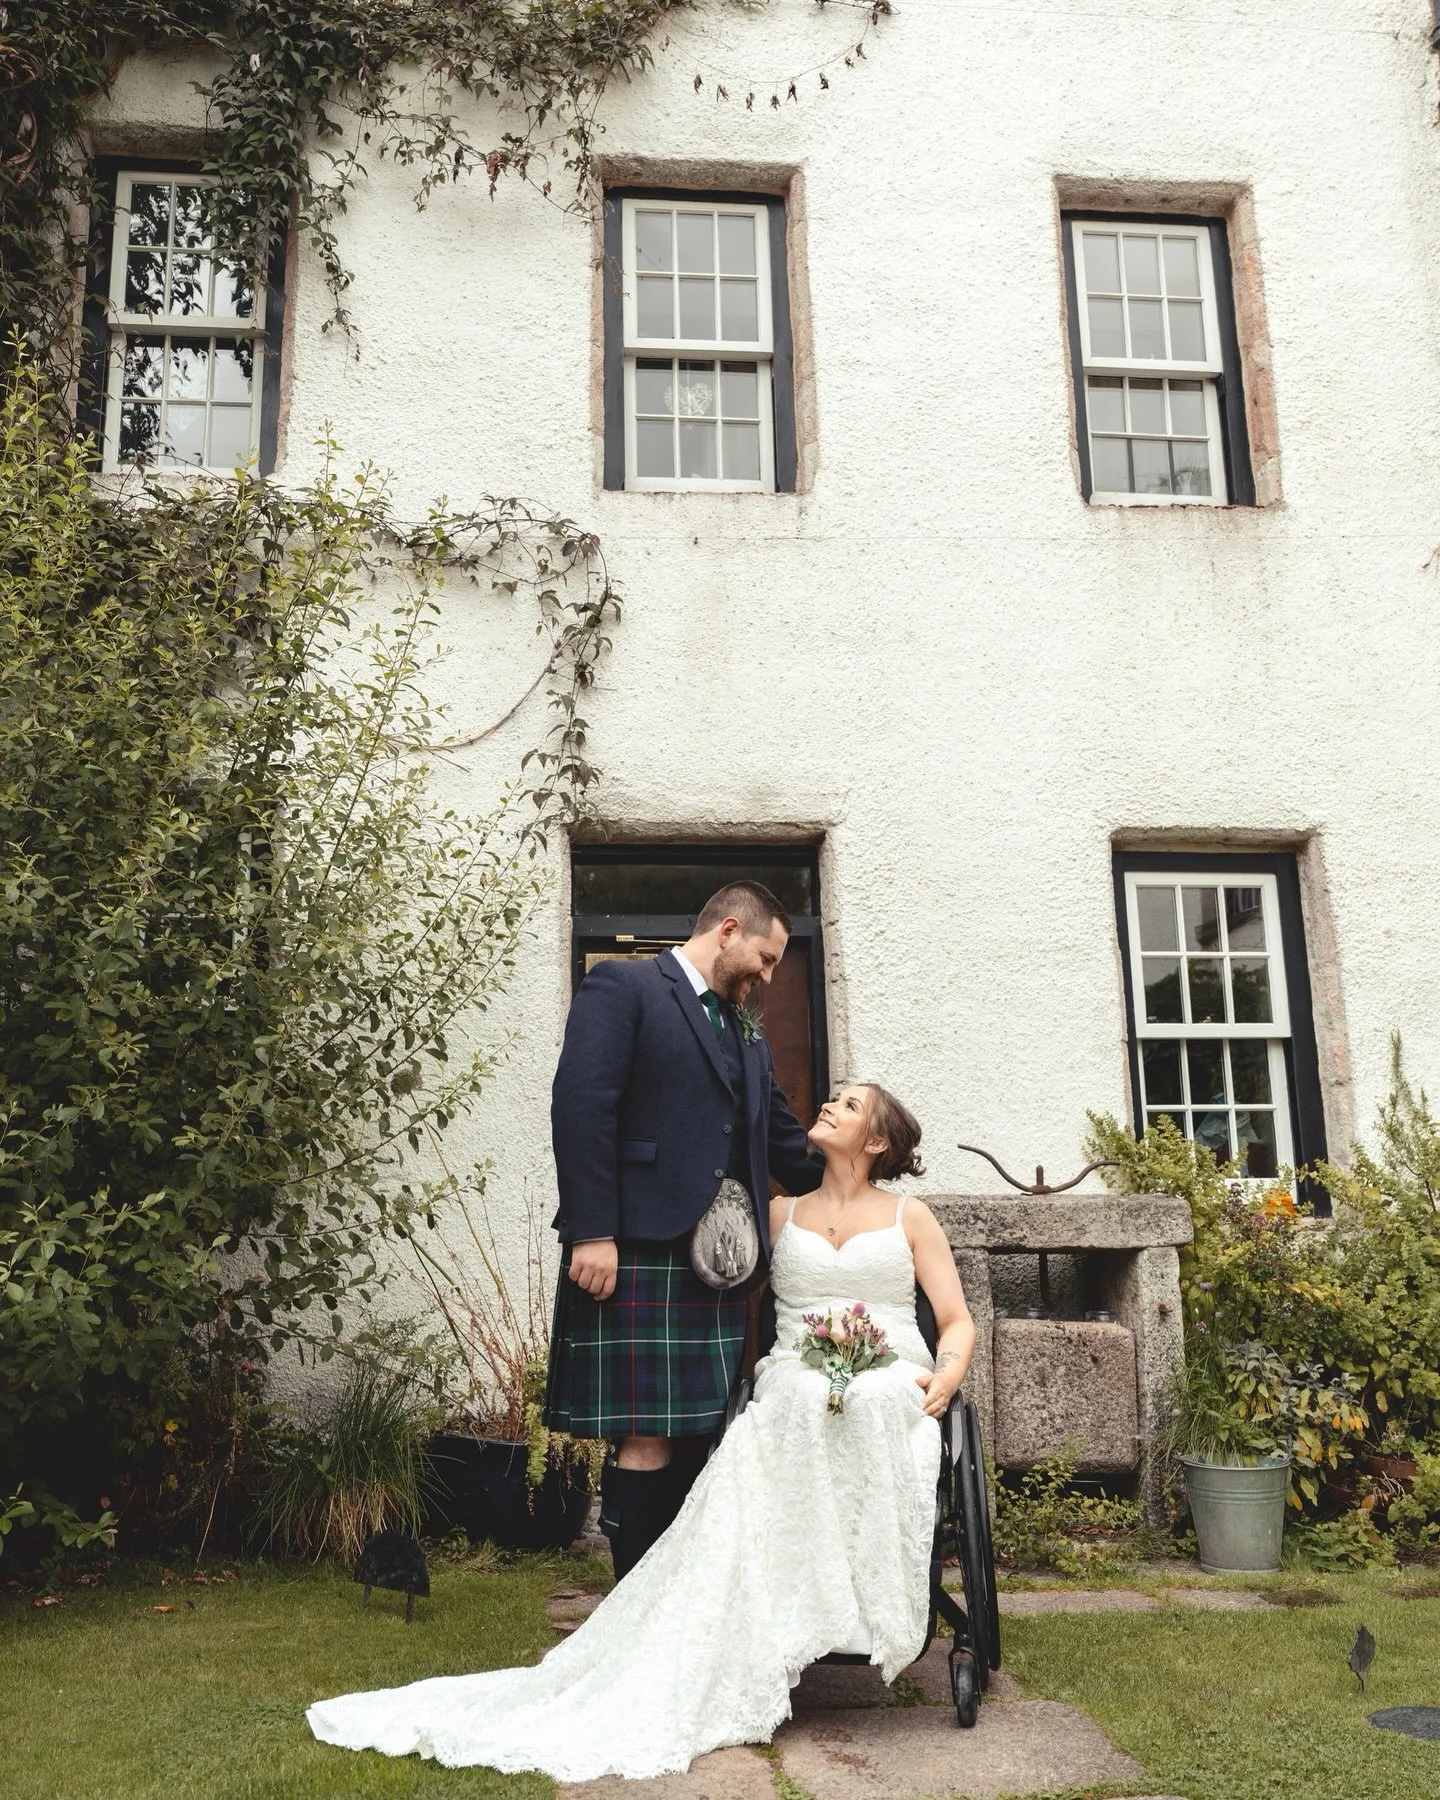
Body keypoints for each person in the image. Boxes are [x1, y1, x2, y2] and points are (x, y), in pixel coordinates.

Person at [306, 1081, 976, 1781]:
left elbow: (953, 1320)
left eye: (850, 1104)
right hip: (796, 1368)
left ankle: (863, 1594)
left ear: (877, 1141)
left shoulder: (911, 1218)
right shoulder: (777, 1215)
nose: (831, 1104)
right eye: (833, 1096)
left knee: (868, 1402)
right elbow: (710, 1272)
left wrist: (946, 1375)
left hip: (893, 1371)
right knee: (799, 1401)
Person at [544, 879, 826, 1579]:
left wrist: (869, 1171)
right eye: (764, 959)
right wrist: (592, 1232)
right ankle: (636, 1608)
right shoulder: (625, 989)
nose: (767, 977)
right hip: (638, 1248)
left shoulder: (744, 1030)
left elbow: (785, 1144)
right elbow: (582, 1109)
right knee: (646, 1439)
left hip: (722, 1266)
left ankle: (685, 1599)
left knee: (703, 1433)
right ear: (727, 930)